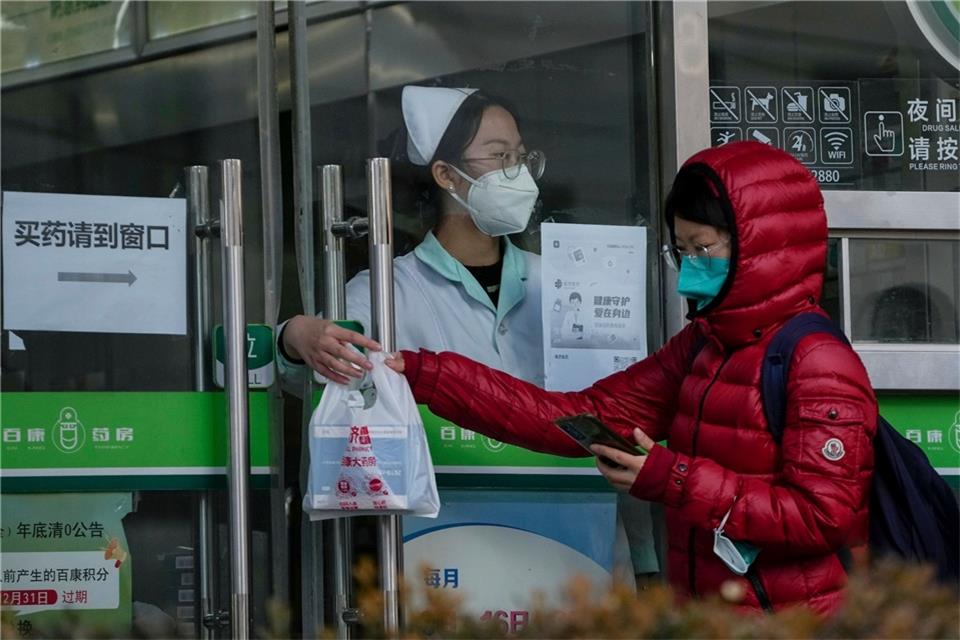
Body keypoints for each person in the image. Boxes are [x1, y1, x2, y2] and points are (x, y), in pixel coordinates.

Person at [385, 141, 878, 615]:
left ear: (760, 247)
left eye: (703, 248)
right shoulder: (705, 345)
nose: (690, 268)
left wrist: (670, 477)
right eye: (681, 249)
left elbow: (822, 517)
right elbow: (582, 416)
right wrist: (428, 373)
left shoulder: (815, 361)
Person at [277, 86, 546, 386]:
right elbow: (322, 364)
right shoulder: (389, 290)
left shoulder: (549, 277)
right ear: (446, 175)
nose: (517, 172)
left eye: (520, 157)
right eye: (500, 155)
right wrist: (293, 336)